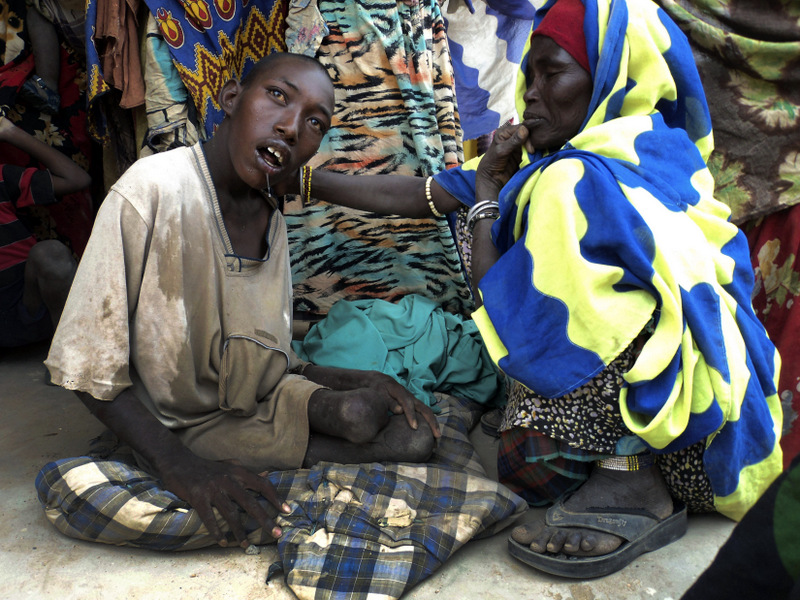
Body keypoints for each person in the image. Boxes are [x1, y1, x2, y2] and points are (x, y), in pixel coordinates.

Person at [290, 0, 784, 578]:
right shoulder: (656, 149)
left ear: (607, 75)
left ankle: (626, 481)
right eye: (529, 75)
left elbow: (502, 306)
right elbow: (422, 194)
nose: (530, 94)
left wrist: (485, 198)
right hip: (719, 430)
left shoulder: (571, 178)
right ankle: (621, 465)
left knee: (523, 468)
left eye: (553, 74)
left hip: (667, 438)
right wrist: (299, 179)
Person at [44, 52, 441, 550]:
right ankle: (156, 453)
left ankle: (263, 448)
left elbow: (270, 362)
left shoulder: (271, 217)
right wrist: (183, 469)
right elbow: (86, 368)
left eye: (315, 122)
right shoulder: (153, 190)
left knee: (399, 430)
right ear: (232, 98)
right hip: (175, 423)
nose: (293, 127)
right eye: (278, 95)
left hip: (250, 406)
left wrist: (366, 379)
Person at [0, 115, 88, 348]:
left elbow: (77, 179)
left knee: (50, 253)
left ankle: (67, 354)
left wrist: (10, 132)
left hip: (29, 303)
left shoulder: (2, 177)